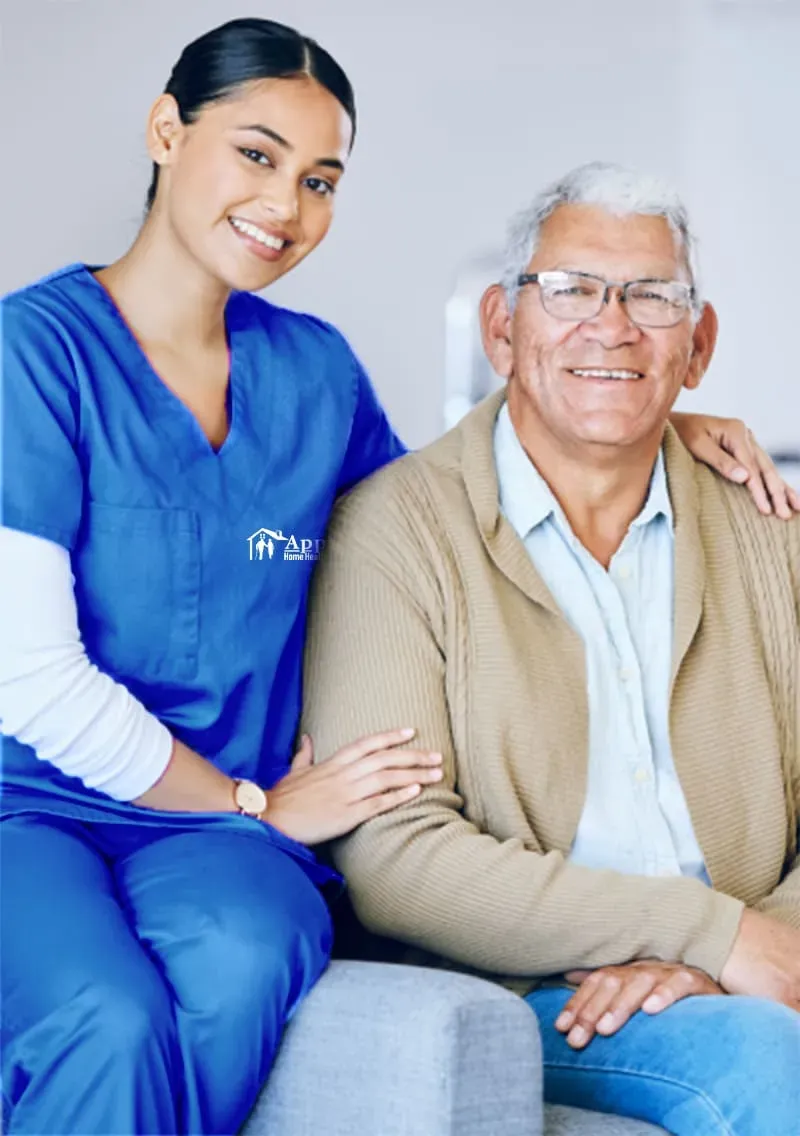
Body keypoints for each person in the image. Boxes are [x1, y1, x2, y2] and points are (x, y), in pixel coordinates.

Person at [0, 18, 793, 1133]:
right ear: (166, 133)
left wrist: (650, 410)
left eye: (319, 178)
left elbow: (458, 492)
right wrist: (251, 799)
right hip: (50, 804)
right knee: (105, 1015)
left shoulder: (312, 373)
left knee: (240, 967)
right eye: (257, 154)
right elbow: (30, 678)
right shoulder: (32, 354)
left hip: (226, 842)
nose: (285, 204)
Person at [301, 162, 800, 1135]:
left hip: (757, 962)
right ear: (500, 327)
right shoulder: (394, 530)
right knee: (757, 1056)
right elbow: (396, 855)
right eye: (570, 288)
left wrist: (756, 945)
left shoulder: (766, 527)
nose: (610, 325)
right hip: (526, 989)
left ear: (694, 346)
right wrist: (709, 932)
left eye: (652, 295)